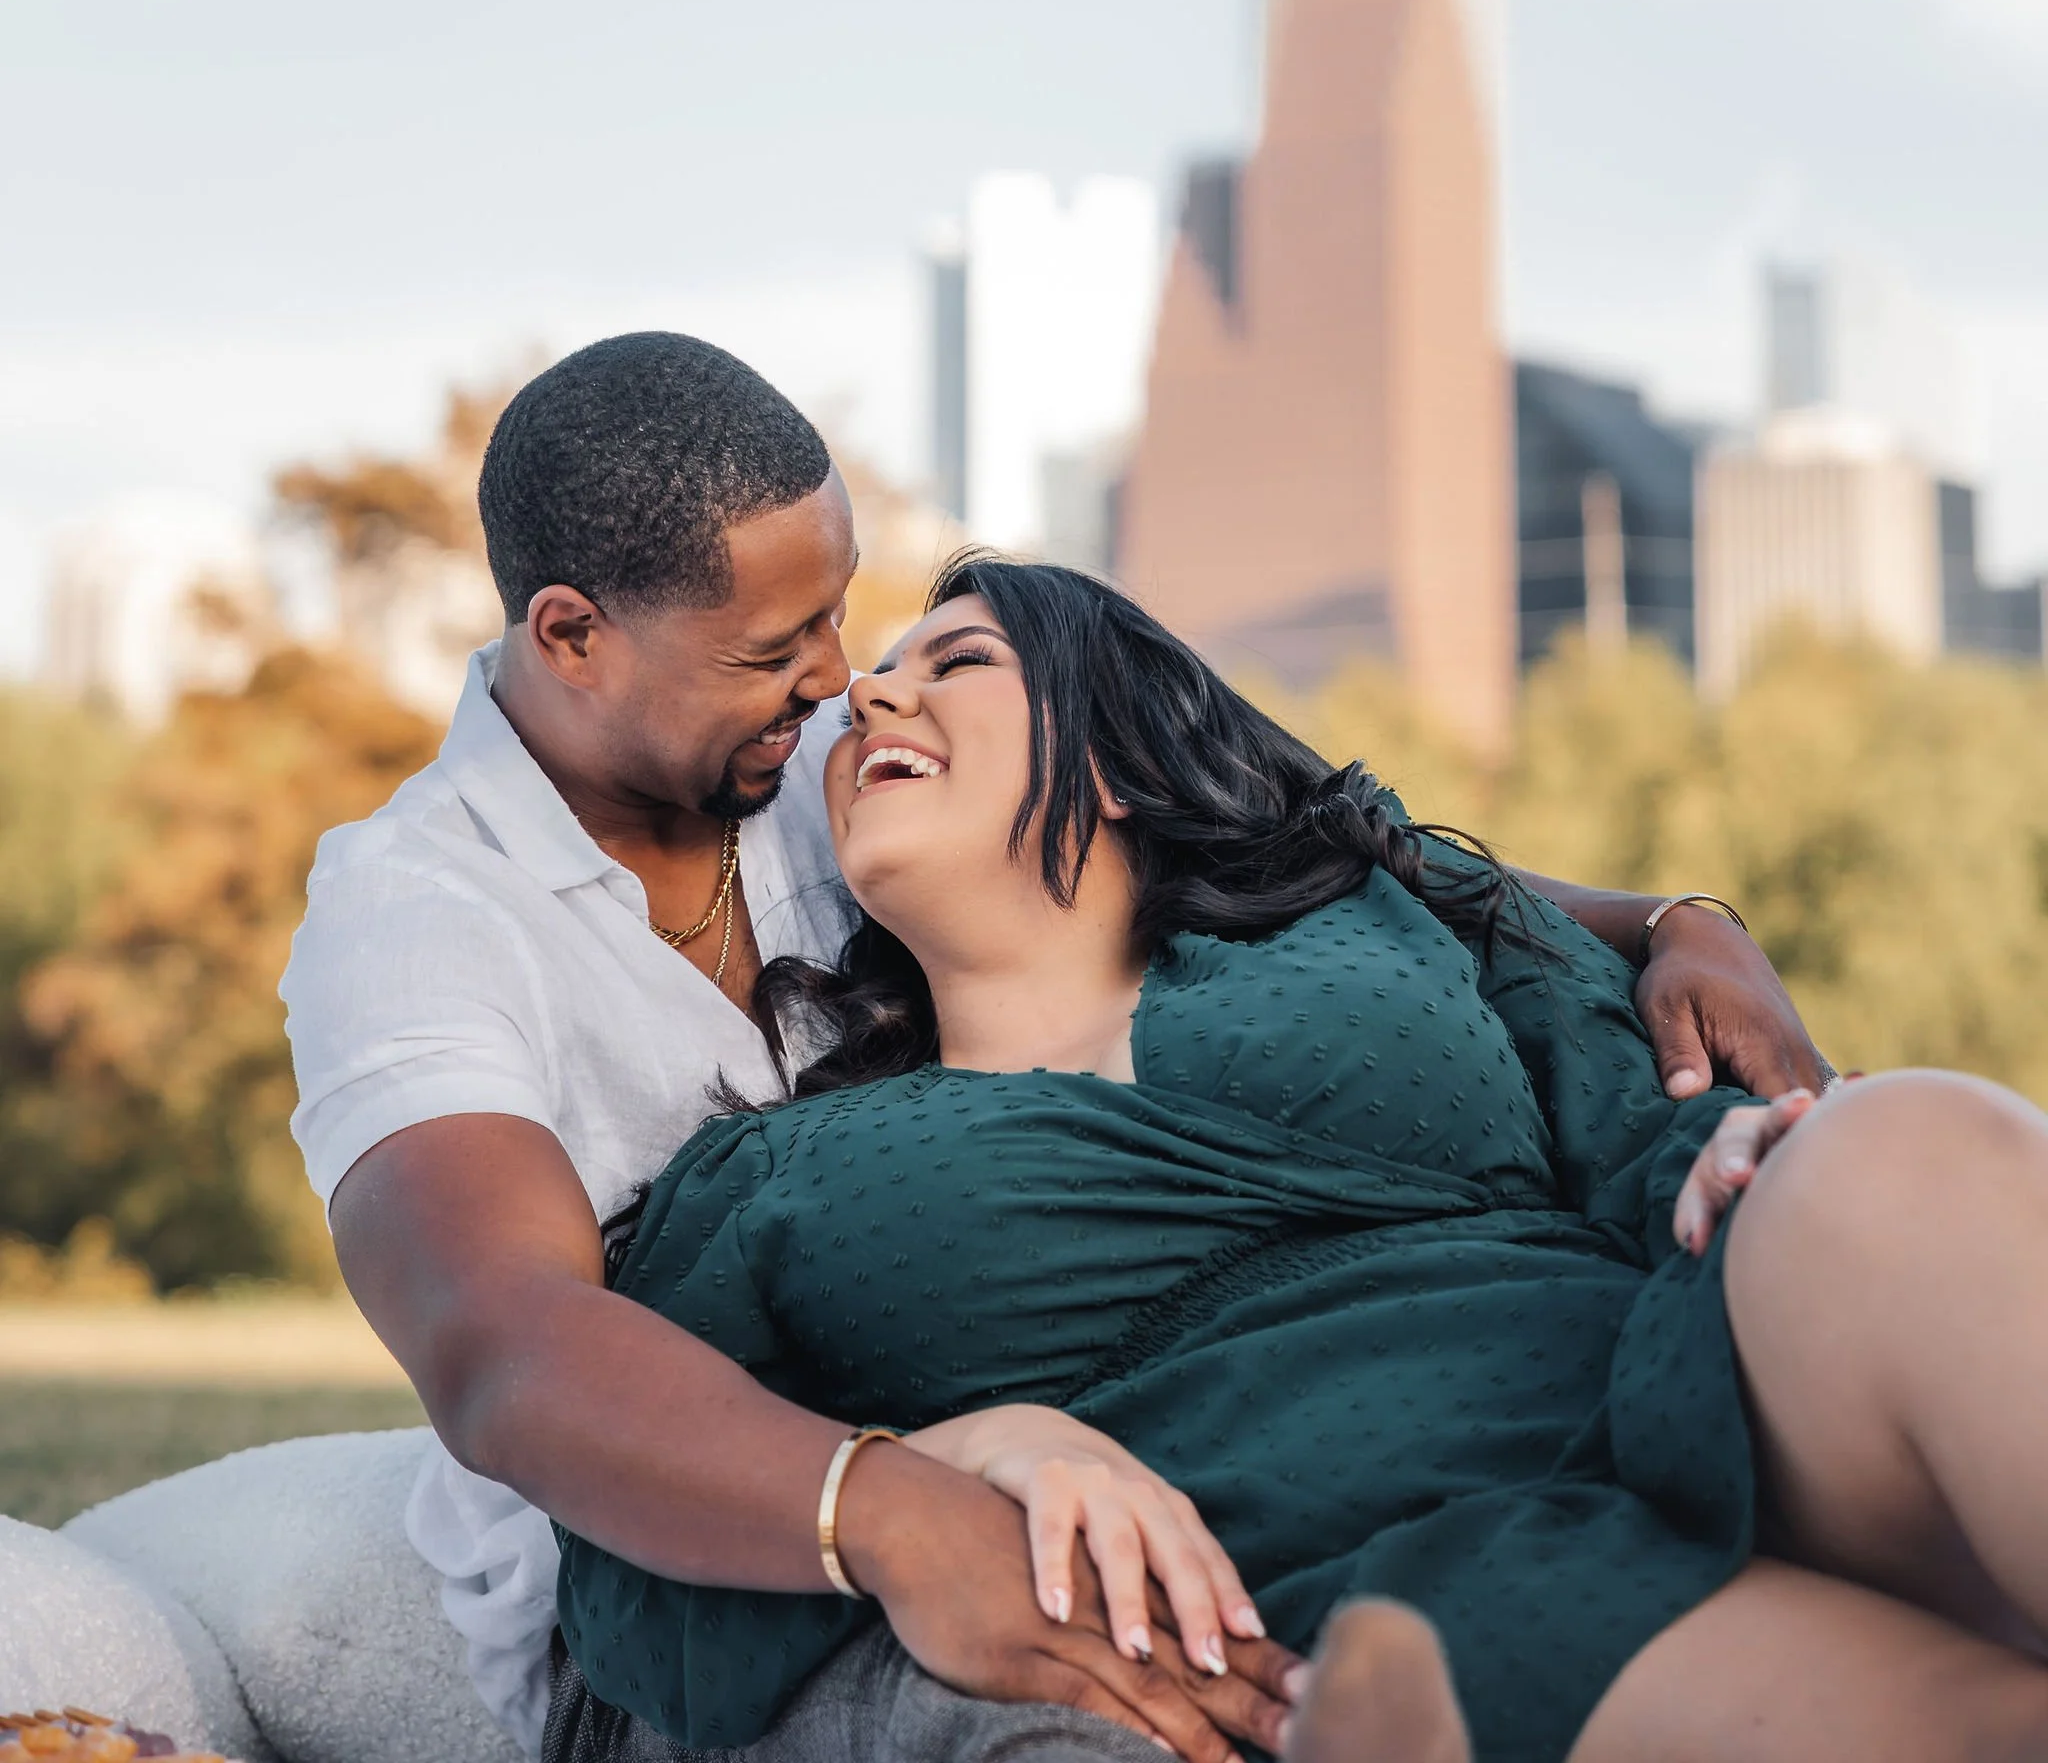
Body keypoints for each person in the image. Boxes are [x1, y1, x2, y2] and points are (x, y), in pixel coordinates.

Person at [285, 334, 1829, 1763]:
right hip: (702, 1570)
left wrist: (1666, 921)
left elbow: (1291, 834)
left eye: (841, 612)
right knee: (1133, 1702)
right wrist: (885, 1504)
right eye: (777, 649)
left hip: (1087, 1417)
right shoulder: (416, 915)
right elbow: (504, 1346)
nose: (837, 677)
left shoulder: (842, 751)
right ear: (573, 636)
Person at [551, 557, 2048, 1763]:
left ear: (1116, 752)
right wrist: (941, 1464)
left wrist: (1717, 1101)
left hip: (1682, 1352)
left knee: (1899, 1146)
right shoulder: (775, 1174)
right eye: (876, 680)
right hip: (1421, 1559)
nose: (872, 690)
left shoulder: (1367, 915)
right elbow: (633, 1577)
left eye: (959, 662)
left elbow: (1641, 1099)